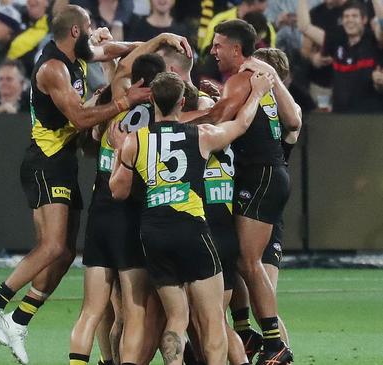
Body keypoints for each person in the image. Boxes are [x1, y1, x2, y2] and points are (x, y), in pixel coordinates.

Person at [0, 5, 178, 364]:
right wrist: (124, 100)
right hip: (45, 161)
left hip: (63, 162)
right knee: (52, 247)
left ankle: (19, 321)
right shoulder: (53, 68)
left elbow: (116, 50)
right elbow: (81, 118)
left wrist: (157, 40)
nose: (96, 31)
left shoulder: (77, 54)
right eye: (90, 26)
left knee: (66, 253)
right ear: (76, 33)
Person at [109, 69, 273, 365]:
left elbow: (117, 190)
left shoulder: (135, 141)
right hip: (192, 231)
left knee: (176, 317)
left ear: (153, 102)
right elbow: (241, 123)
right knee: (212, 321)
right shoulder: (202, 135)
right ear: (183, 102)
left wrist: (120, 152)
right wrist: (258, 94)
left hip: (155, 233)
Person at [195, 19, 302, 365]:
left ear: (237, 49)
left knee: (248, 262)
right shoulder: (256, 80)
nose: (213, 51)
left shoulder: (244, 78)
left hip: (261, 176)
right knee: (240, 261)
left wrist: (171, 124)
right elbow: (293, 119)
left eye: (218, 44)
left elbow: (220, 115)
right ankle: (251, 335)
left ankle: (274, 344)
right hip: (264, 177)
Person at [69, 33, 179, 365]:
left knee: (91, 309)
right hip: (134, 215)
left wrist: (155, 39)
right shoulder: (160, 116)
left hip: (101, 211)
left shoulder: (120, 100)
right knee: (134, 310)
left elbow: (122, 69)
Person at [297, 0, 383, 112]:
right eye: (346, 16)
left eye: (354, 16)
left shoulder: (373, 41)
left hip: (369, 115)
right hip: (341, 115)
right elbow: (305, 27)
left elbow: (382, 25)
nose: (350, 20)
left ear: (364, 19)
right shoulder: (336, 41)